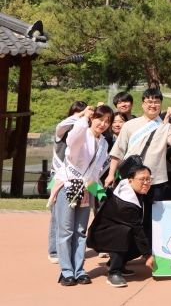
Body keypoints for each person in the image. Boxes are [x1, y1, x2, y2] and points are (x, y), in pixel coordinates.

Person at [106, 88, 171, 238]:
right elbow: (118, 152)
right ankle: (124, 252)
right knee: (128, 216)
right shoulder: (129, 125)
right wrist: (110, 174)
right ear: (142, 104)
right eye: (149, 101)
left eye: (156, 102)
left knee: (153, 219)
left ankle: (149, 252)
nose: (153, 105)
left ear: (161, 104)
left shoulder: (165, 126)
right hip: (131, 179)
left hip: (156, 179)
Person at [51, 105, 113, 286]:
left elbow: (95, 173)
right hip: (69, 185)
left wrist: (101, 193)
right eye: (99, 119)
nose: (102, 124)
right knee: (66, 231)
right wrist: (83, 118)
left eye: (107, 121)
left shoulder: (104, 143)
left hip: (86, 189)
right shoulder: (82, 133)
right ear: (92, 119)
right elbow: (72, 141)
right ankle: (66, 271)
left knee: (80, 231)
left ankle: (79, 270)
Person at [86, 165, 154, 288]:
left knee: (145, 235)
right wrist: (148, 255)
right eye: (142, 179)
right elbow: (137, 230)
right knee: (125, 232)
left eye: (148, 179)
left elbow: (102, 193)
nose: (146, 182)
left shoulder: (129, 188)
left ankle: (115, 263)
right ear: (130, 180)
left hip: (112, 233)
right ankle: (114, 272)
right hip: (101, 236)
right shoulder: (126, 203)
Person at [47, 100, 88, 265]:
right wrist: (81, 115)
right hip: (56, 177)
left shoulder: (84, 134)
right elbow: (64, 123)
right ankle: (54, 250)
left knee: (71, 217)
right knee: (56, 215)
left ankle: (68, 249)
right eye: (76, 113)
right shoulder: (61, 131)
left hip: (76, 180)